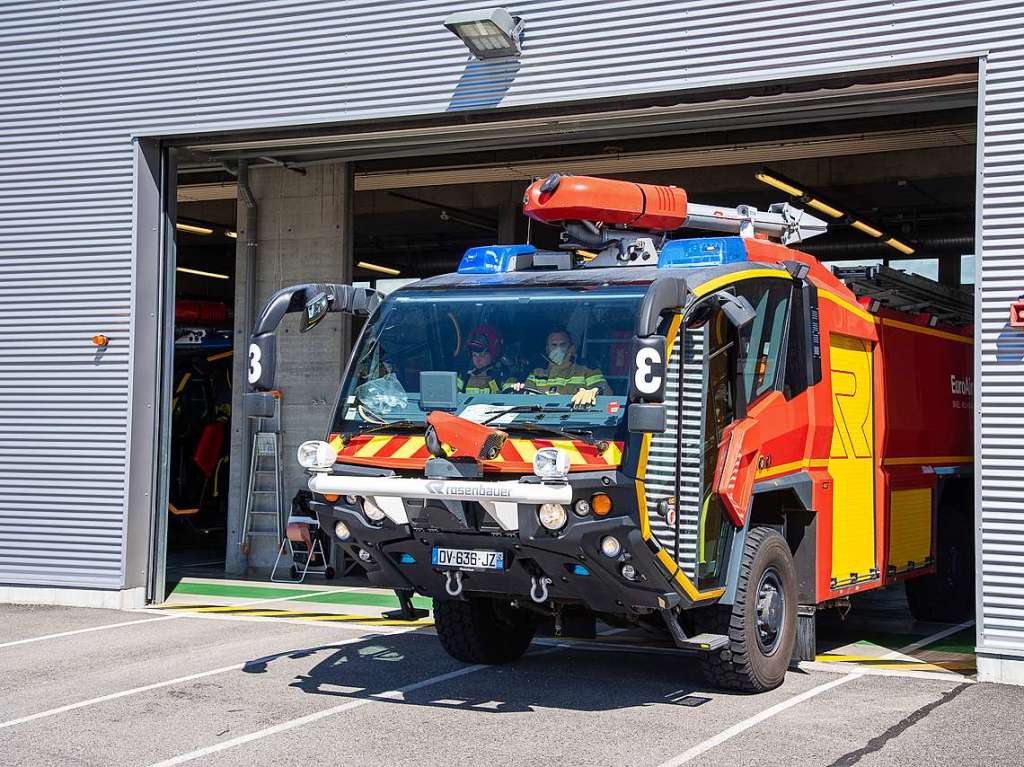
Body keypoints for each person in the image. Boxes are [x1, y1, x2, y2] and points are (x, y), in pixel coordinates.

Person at [515, 329, 611, 406]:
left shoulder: (588, 369)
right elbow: (526, 399)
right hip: (540, 423)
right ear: (547, 349)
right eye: (554, 345)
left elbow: (606, 391)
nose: (558, 349)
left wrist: (594, 391)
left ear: (571, 348)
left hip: (574, 423)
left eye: (563, 345)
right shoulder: (537, 373)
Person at [458, 324, 513, 394]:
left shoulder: (503, 375)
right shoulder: (464, 375)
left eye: (482, 355)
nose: (478, 360)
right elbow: (451, 396)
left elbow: (511, 396)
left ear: (493, 355)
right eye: (474, 355)